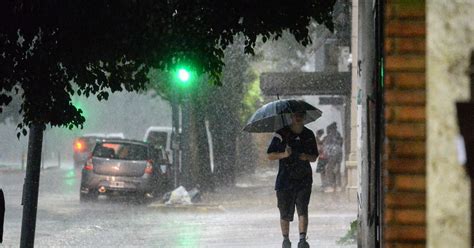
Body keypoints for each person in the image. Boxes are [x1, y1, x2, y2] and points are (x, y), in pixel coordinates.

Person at [267, 111, 319, 248]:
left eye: (300, 114)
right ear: (291, 116)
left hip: (304, 179)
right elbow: (270, 155)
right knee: (284, 211)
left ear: (304, 117)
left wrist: (306, 157)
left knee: (303, 208)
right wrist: (284, 154)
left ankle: (302, 239)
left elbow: (314, 156)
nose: (298, 117)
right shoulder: (281, 134)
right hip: (285, 179)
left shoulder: (308, 135)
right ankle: (286, 239)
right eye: (295, 114)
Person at [321, 122, 343, 193]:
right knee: (337, 170)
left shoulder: (330, 136)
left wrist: (325, 153)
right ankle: (338, 185)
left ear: (330, 129)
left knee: (329, 170)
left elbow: (326, 147)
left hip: (332, 155)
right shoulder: (338, 135)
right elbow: (340, 144)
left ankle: (332, 186)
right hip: (339, 154)